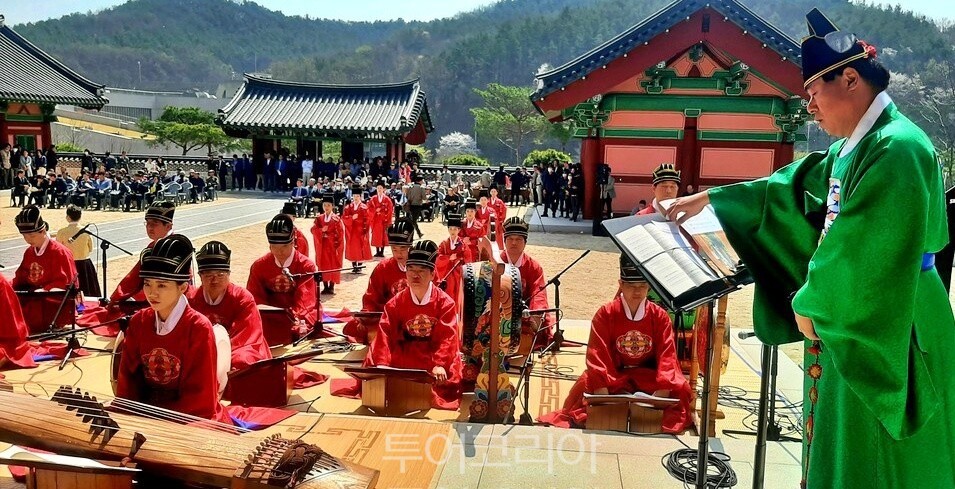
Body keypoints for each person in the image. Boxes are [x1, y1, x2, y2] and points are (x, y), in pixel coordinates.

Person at [664, 9, 955, 487]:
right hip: (854, 311)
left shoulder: (897, 148)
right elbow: (789, 187)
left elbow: (864, 247)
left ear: (850, 78)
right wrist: (712, 199)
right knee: (846, 442)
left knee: (882, 455)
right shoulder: (854, 147)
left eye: (815, 92)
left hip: (890, 316)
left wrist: (813, 300)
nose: (810, 108)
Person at [538, 255, 691, 433]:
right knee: (587, 384)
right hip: (615, 375)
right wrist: (602, 395)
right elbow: (597, 354)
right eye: (631, 286)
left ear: (649, 286)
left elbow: (668, 355)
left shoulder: (659, 316)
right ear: (620, 284)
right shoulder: (606, 313)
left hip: (648, 376)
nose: (637, 292)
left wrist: (663, 390)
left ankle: (637, 409)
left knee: (681, 388)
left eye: (642, 286)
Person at [116, 234, 230, 422]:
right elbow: (128, 380)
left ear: (183, 287)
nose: (152, 293)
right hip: (145, 411)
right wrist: (130, 413)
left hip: (189, 416)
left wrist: (157, 417)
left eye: (162, 285)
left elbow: (200, 397)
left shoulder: (198, 327)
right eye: (147, 284)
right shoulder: (138, 321)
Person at [366, 240, 463, 409]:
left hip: (432, 354)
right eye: (411, 270)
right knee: (379, 371)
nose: (415, 275)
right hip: (405, 351)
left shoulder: (445, 303)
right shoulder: (395, 303)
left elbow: (448, 338)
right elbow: (385, 333)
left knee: (444, 381)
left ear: (433, 274)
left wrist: (439, 364)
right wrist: (382, 363)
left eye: (421, 271)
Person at [188, 241, 271, 371]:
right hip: (205, 350)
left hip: (238, 348)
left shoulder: (242, 298)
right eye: (208, 275)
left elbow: (247, 336)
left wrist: (222, 354)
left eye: (220, 275)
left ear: (228, 274)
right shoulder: (192, 299)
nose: (214, 280)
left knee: (243, 359)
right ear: (200, 276)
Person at [247, 214, 320, 337]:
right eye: (274, 247)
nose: (279, 251)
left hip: (299, 314)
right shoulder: (259, 266)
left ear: (293, 243)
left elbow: (306, 300)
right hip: (270, 316)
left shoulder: (306, 266)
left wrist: (295, 317)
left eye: (285, 246)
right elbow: (255, 297)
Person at [344, 222, 415, 344]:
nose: (398, 254)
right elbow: (372, 297)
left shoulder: (420, 268)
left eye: (403, 249)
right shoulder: (383, 268)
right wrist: (366, 317)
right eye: (394, 249)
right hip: (387, 318)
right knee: (356, 327)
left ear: (411, 247)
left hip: (415, 318)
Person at [500, 217, 554, 348]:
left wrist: (534, 314)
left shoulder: (534, 267)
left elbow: (538, 292)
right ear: (504, 241)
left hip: (525, 314)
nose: (514, 243)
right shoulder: (495, 262)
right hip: (499, 313)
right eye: (510, 239)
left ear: (525, 242)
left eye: (518, 239)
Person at [111, 201, 176, 303]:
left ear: (168, 226)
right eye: (148, 223)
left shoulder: (174, 247)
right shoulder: (152, 246)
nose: (149, 228)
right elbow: (134, 278)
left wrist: (120, 297)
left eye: (154, 224)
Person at [13, 206, 78, 292]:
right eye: (24, 236)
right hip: (32, 298)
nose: (28, 240)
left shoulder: (60, 252)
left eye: (32, 236)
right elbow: (20, 278)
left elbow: (66, 283)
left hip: (54, 301)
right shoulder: (29, 252)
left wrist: (44, 290)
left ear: (43, 231)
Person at [55, 205, 101, 297]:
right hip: (85, 263)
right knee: (88, 289)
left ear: (68, 217)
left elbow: (58, 249)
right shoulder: (86, 231)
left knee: (70, 291)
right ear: (80, 216)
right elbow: (91, 248)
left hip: (68, 264)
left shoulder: (62, 232)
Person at [435, 212, 472, 312]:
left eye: (455, 229)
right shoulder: (444, 244)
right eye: (450, 229)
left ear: (459, 230)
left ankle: (457, 311)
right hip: (447, 272)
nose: (452, 231)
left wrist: (459, 258)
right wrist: (448, 258)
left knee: (459, 292)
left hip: (458, 272)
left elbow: (468, 258)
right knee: (448, 291)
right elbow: (438, 257)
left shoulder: (462, 244)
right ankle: (448, 311)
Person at [310, 193, 345, 295]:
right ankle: (325, 286)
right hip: (323, 247)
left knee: (333, 266)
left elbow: (340, 234)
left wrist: (331, 239)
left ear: (332, 206)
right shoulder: (319, 218)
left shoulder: (336, 219)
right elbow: (313, 230)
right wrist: (321, 230)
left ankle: (332, 286)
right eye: (324, 205)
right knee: (323, 266)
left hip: (333, 247)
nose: (326, 207)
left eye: (328, 205)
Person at [342, 184, 372, 273]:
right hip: (351, 231)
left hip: (360, 231)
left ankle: (359, 265)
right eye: (354, 196)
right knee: (352, 247)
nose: (356, 198)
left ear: (360, 196)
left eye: (357, 196)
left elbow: (367, 220)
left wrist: (364, 229)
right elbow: (344, 218)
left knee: (360, 247)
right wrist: (352, 218)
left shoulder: (364, 207)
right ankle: (354, 265)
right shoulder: (348, 207)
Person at [367, 180, 394, 257]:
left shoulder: (387, 199)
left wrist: (383, 215)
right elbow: (369, 208)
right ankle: (377, 251)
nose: (379, 189)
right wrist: (375, 211)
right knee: (376, 236)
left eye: (381, 188)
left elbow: (390, 209)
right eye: (378, 188)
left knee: (383, 236)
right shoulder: (373, 198)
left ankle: (381, 251)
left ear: (384, 189)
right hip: (376, 220)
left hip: (383, 221)